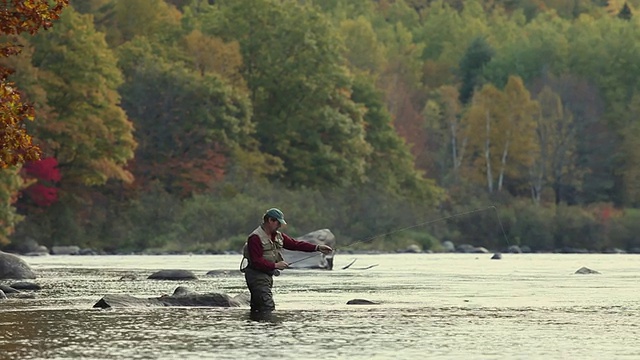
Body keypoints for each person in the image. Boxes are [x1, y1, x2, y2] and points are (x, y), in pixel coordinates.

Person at [241, 207, 333, 314]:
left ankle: (255, 328)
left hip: (267, 275)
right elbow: (256, 261)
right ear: (270, 220)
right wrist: (276, 265)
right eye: (278, 223)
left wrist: (317, 247)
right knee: (267, 307)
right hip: (256, 276)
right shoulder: (255, 238)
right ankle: (267, 329)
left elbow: (295, 244)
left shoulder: (278, 236)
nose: (280, 226)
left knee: (257, 308)